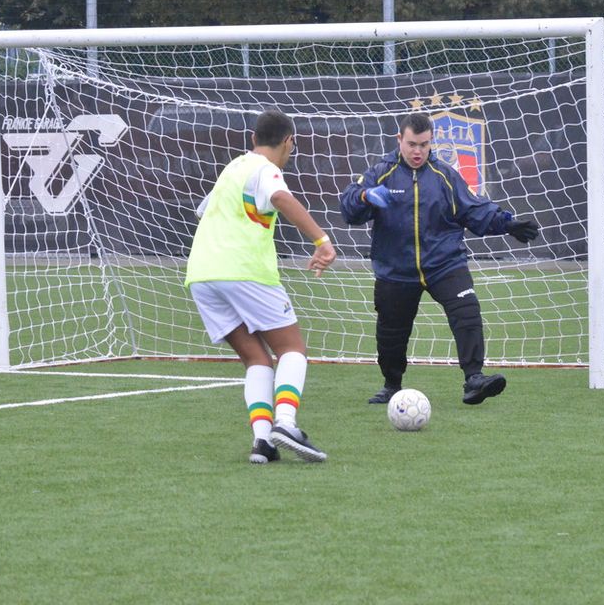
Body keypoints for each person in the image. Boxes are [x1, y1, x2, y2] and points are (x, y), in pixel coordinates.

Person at [340, 112, 539, 405]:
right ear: (399, 139)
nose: (418, 151)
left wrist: (507, 223)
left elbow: (474, 209)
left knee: (467, 312)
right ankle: (392, 385)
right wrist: (365, 197)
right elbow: (349, 207)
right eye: (412, 144)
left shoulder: (445, 175)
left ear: (431, 142)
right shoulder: (380, 173)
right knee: (391, 332)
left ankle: (474, 379)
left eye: (424, 144)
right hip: (396, 269)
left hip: (445, 263)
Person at [186, 110, 336, 464]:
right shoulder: (265, 170)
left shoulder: (233, 169)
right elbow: (281, 198)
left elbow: (203, 212)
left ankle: (263, 441)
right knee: (292, 348)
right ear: (288, 142)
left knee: (256, 358)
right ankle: (286, 422)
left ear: (253, 139)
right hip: (244, 271)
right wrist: (322, 241)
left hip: (202, 274)